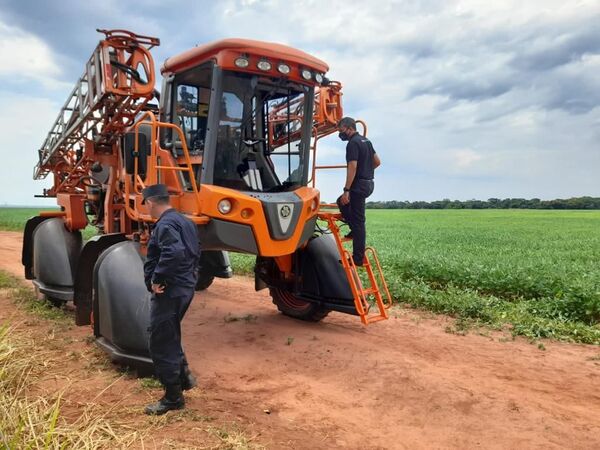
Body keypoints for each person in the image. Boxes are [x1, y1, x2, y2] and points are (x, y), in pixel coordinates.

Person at [142, 183, 200, 415]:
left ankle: (173, 398)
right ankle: (184, 378)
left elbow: (173, 252)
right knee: (171, 331)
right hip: (185, 286)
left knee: (161, 339)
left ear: (150, 202)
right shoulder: (185, 221)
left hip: (170, 290)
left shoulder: (165, 224)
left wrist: (158, 279)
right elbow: (195, 249)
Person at [336, 117, 381, 266]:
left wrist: (346, 190)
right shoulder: (366, 141)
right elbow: (377, 162)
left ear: (349, 128)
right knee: (342, 204)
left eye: (341, 131)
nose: (340, 134)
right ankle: (354, 229)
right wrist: (366, 171)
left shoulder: (353, 143)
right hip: (368, 184)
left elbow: (352, 167)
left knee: (358, 221)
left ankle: (357, 259)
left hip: (357, 186)